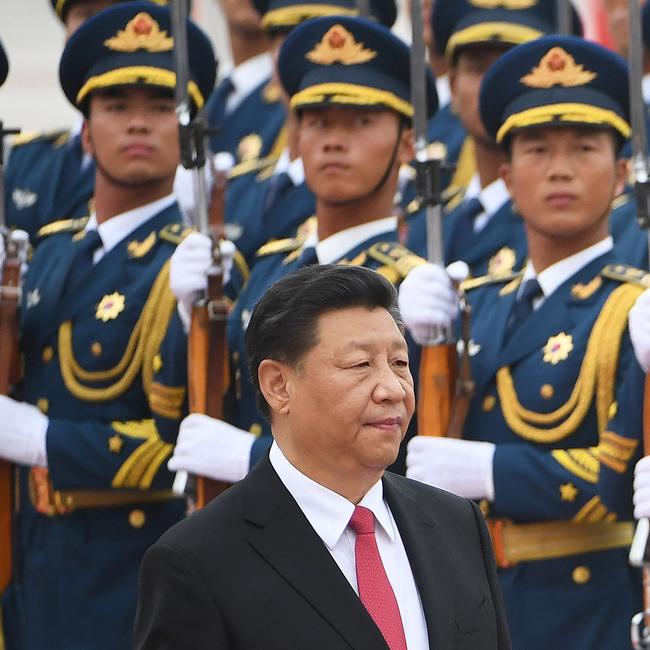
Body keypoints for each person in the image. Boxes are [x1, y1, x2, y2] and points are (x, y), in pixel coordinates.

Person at [399, 34, 645, 648]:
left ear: (620, 174)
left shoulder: (634, 306)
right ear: (506, 177)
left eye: (583, 148)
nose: (559, 168)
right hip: (473, 601)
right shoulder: (476, 301)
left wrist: (492, 470)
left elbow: (622, 477)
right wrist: (405, 340)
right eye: (537, 149)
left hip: (584, 607)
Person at [134, 264, 511, 650]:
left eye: (399, 364)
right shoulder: (198, 561)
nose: (392, 389)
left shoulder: (457, 523)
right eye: (360, 365)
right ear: (278, 385)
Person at [0, 4, 216, 648]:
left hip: (126, 575)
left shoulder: (192, 267)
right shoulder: (50, 249)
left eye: (159, 107)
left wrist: (44, 440)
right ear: (87, 132)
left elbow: (180, 443)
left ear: (187, 132)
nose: (139, 123)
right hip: (30, 562)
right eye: (117, 106)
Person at [167, 14, 435, 485]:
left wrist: (251, 457)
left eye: (360, 122)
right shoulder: (272, 264)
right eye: (316, 121)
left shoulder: (411, 288)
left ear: (407, 144)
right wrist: (187, 319)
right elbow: (200, 405)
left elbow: (396, 451)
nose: (333, 139)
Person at [406, 0, 581, 277]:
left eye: (513, 69)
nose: (492, 86)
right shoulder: (425, 218)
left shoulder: (565, 220)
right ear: (452, 84)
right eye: (478, 68)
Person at [4, 0, 173, 245]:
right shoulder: (25, 157)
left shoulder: (177, 170)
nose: (104, 26)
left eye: (159, 108)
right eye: (88, 16)